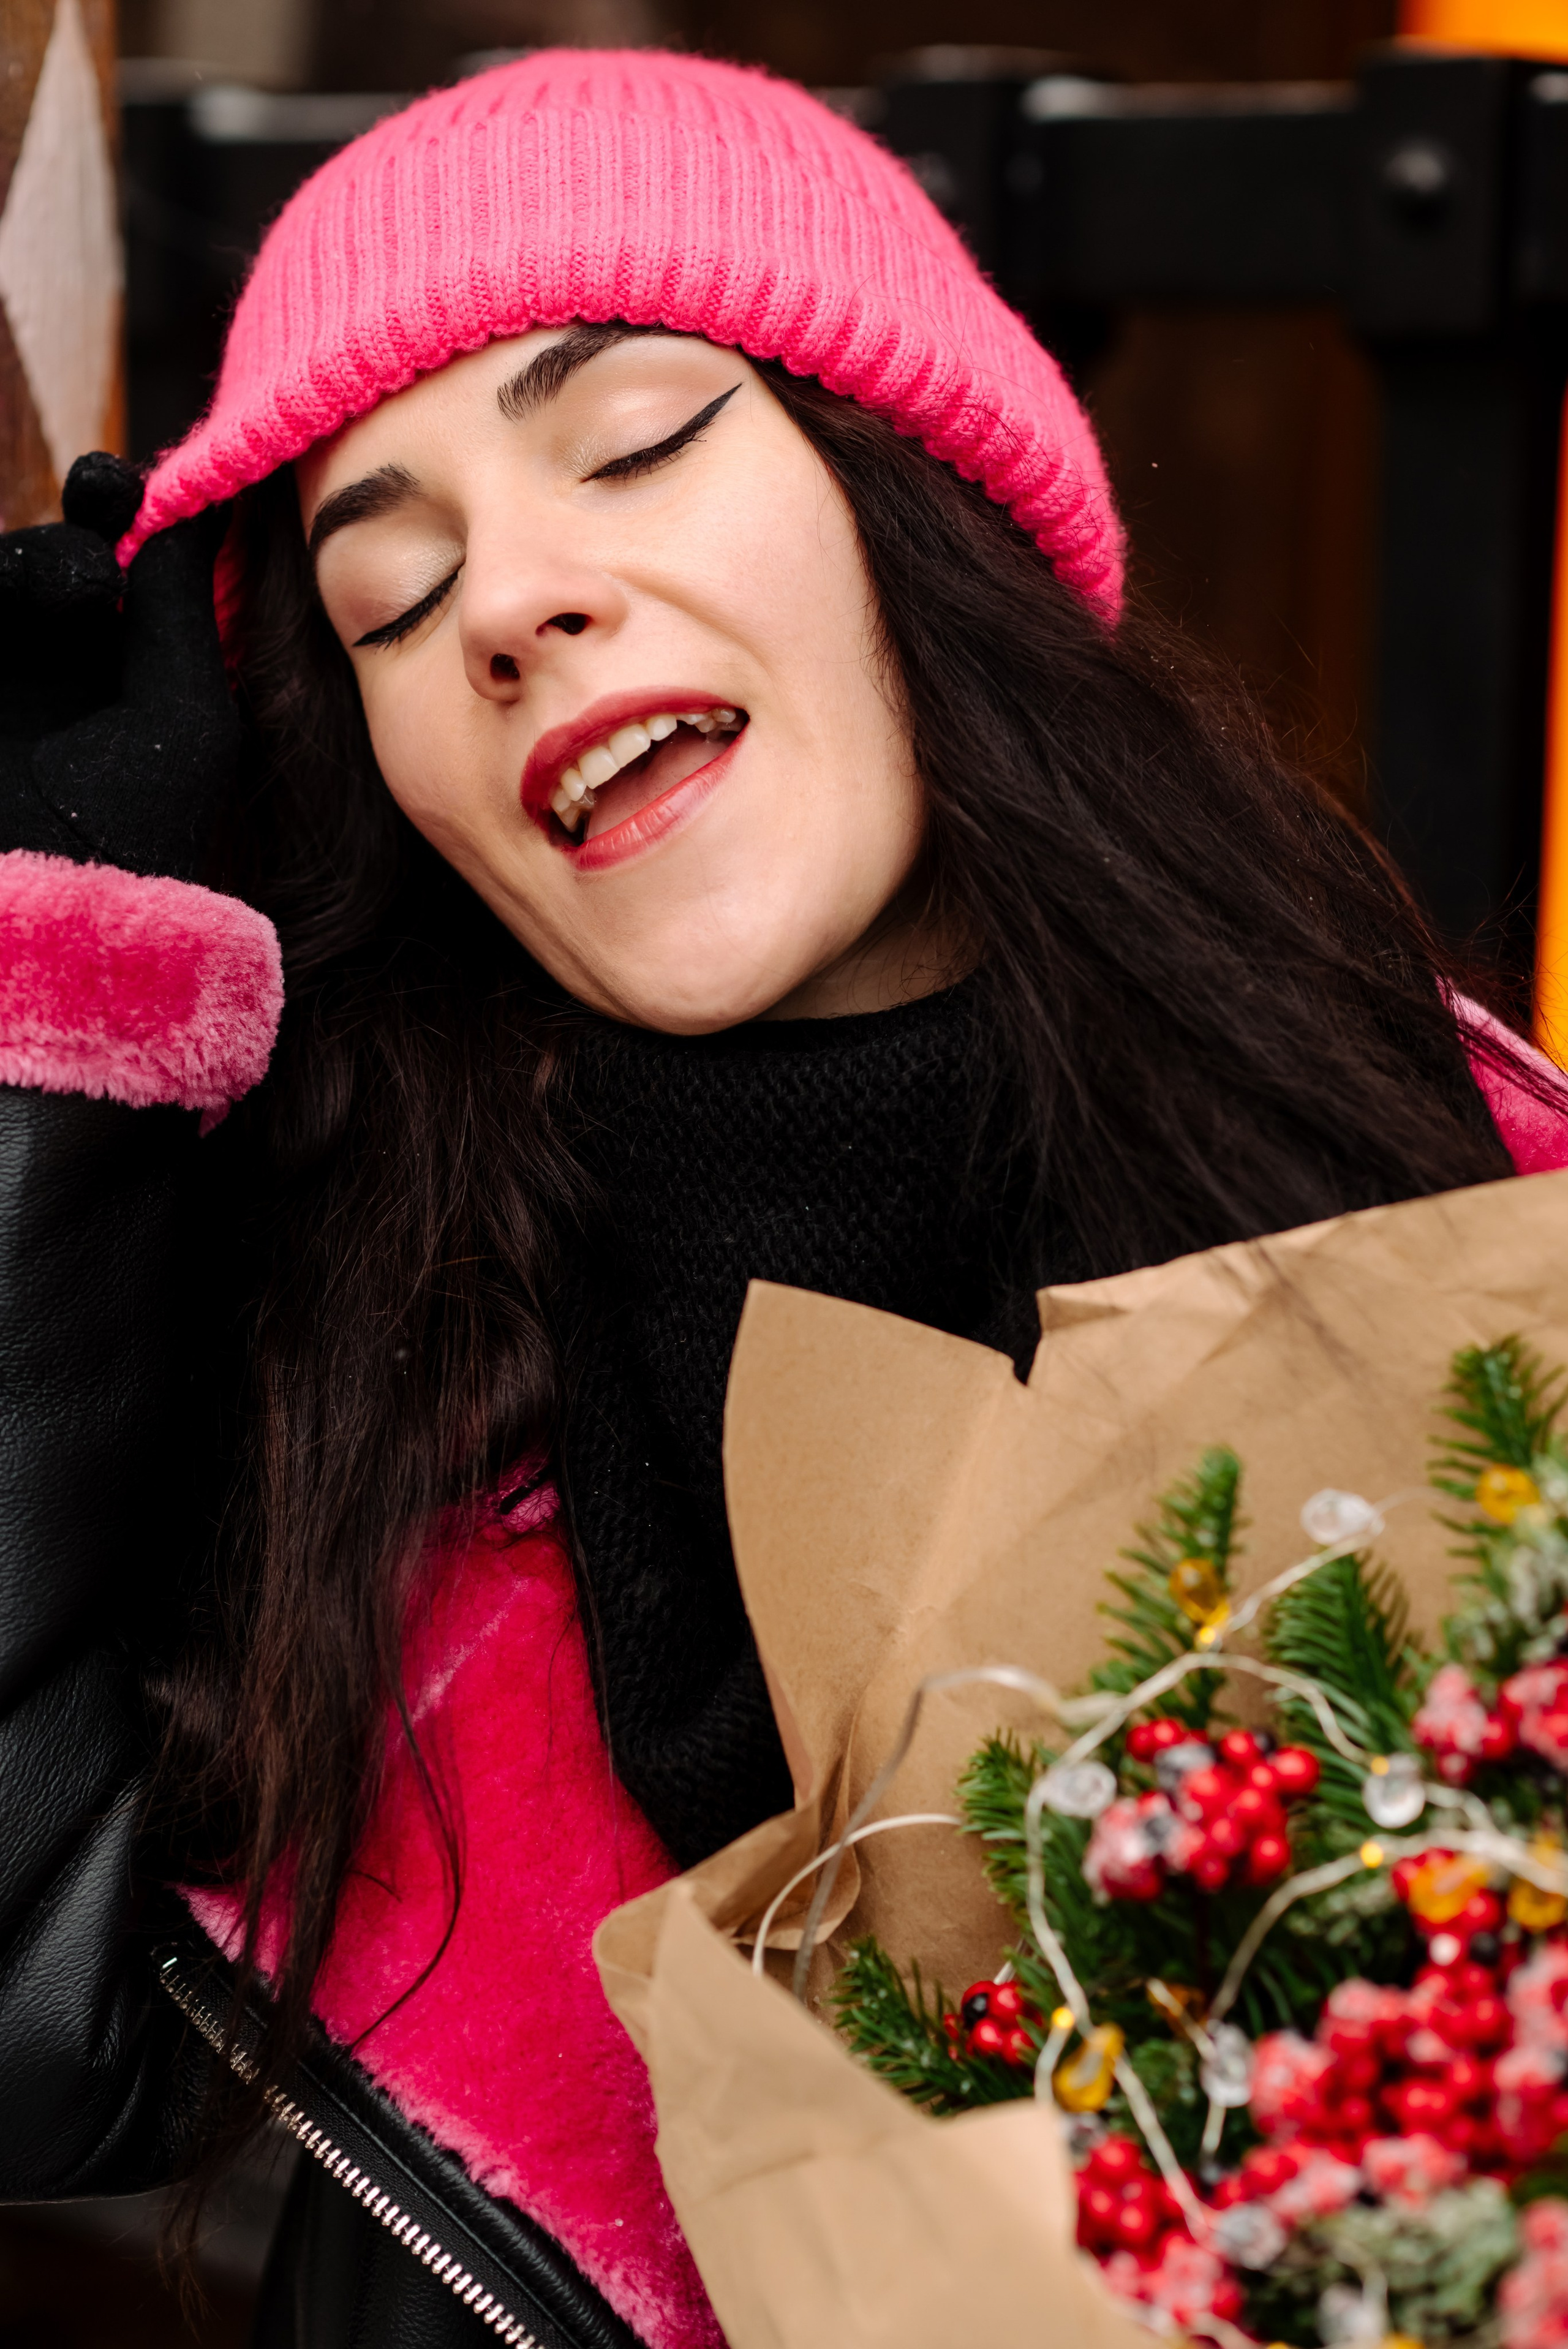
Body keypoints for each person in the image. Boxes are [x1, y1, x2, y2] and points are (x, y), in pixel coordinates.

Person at [0, 47, 1562, 2349]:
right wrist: (74, 1002)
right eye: (391, 595)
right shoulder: (351, 1393)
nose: (510, 603)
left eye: (632, 436)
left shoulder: (1479, 1269)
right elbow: (33, 2021)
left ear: (901, 489)